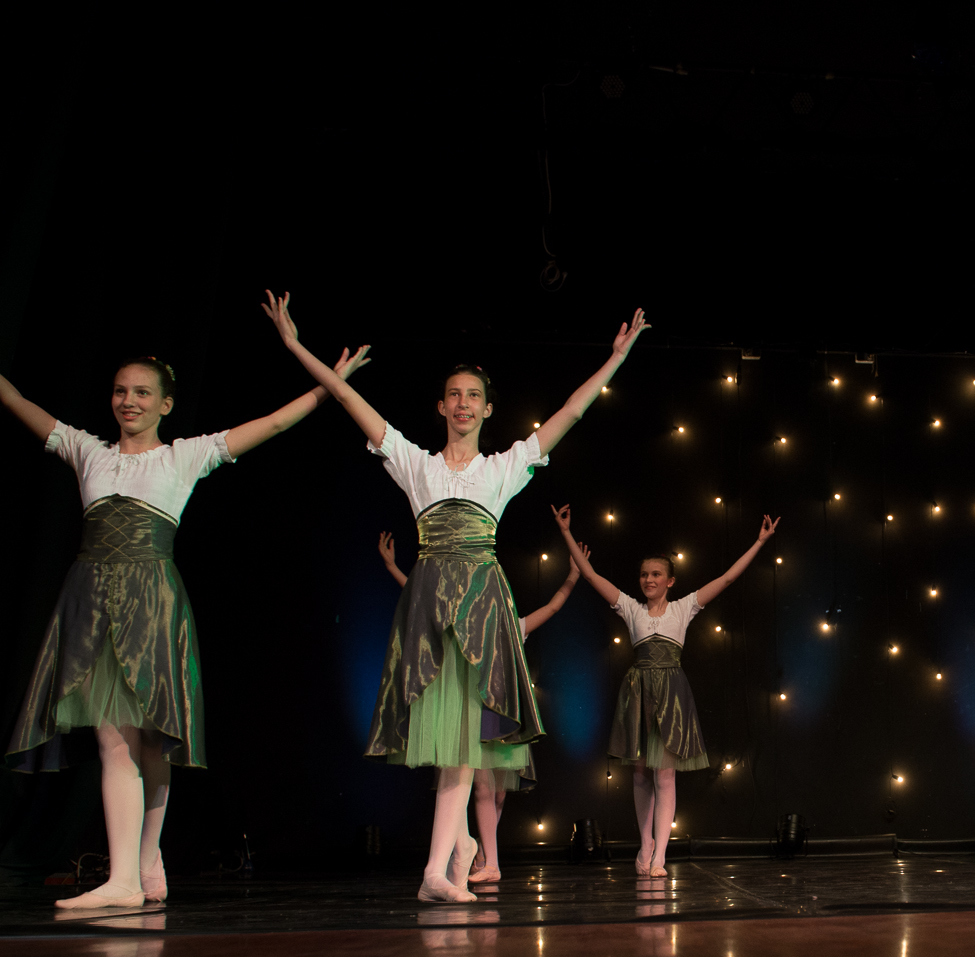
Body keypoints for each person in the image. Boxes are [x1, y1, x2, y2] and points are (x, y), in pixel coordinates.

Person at [0, 302, 368, 909]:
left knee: (150, 738)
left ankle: (140, 864)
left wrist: (330, 383)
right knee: (115, 738)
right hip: (92, 598)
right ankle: (131, 874)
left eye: (142, 392)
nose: (129, 401)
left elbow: (273, 423)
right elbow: (15, 400)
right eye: (120, 391)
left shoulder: (181, 456)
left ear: (166, 404)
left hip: (151, 600)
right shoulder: (88, 451)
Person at [265, 289, 649, 903]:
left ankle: (434, 873)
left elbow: (572, 411)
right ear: (441, 405)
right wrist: (295, 345)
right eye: (455, 395)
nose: (464, 404)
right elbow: (347, 398)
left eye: (474, 396)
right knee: (451, 744)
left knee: (466, 741)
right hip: (429, 606)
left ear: (488, 408)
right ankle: (456, 853)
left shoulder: (502, 468)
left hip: (482, 607)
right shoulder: (417, 465)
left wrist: (617, 358)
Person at [556, 505, 779, 875]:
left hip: (672, 695)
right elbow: (592, 576)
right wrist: (566, 532)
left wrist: (759, 542)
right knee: (640, 773)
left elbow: (726, 579)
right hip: (639, 693)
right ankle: (645, 844)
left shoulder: (683, 608)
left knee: (665, 774)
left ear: (670, 581)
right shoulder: (631, 608)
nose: (649, 579)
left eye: (656, 574)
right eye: (644, 574)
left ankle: (660, 854)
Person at [377, 531, 587, 882]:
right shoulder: (459, 621)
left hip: (494, 713)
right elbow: (423, 598)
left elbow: (552, 607)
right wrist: (392, 567)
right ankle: (479, 857)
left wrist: (573, 576)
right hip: (467, 713)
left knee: (494, 791)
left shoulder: (512, 627)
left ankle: (484, 857)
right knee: (472, 784)